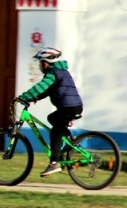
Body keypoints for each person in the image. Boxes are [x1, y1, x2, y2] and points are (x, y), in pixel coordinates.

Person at [16, 47, 83, 176]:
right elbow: (48, 90)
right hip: (75, 106)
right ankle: (69, 140)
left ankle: (54, 163)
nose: (39, 66)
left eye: (40, 62)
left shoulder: (52, 73)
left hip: (68, 108)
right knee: (52, 119)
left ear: (45, 63)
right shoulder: (62, 72)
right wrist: (35, 97)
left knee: (55, 132)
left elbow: (41, 87)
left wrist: (24, 97)